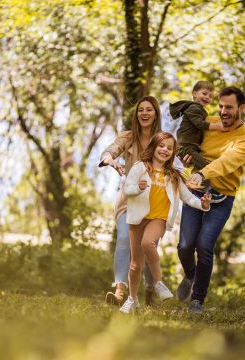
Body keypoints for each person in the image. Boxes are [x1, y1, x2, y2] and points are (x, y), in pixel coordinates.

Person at [176, 86, 245, 313]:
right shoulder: (208, 122)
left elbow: (226, 162)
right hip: (196, 190)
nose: (223, 111)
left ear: (241, 108)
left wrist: (202, 173)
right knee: (184, 246)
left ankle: (197, 300)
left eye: (228, 107)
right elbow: (188, 143)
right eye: (220, 106)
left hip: (222, 197)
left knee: (204, 246)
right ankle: (190, 276)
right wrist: (187, 157)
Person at [119, 132, 212, 314]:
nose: (165, 150)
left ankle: (159, 283)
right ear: (154, 146)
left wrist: (202, 204)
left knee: (148, 243)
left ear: (173, 152)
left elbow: (188, 197)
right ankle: (132, 299)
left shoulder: (174, 175)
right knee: (135, 265)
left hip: (159, 219)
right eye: (162, 146)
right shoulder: (140, 167)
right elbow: (127, 188)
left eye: (170, 148)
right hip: (138, 218)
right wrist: (138, 188)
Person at [99, 96, 162, 306]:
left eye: (149, 110)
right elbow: (110, 150)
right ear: (137, 115)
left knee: (148, 245)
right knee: (125, 239)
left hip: (154, 200)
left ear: (155, 115)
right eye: (140, 110)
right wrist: (109, 159)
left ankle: (151, 288)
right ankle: (119, 291)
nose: (144, 113)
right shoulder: (127, 137)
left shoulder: (162, 140)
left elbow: (176, 164)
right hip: (130, 197)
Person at [169, 80, 225, 189]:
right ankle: (203, 190)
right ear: (194, 94)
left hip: (189, 147)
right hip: (185, 148)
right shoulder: (194, 108)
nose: (207, 97)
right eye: (204, 94)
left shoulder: (199, 110)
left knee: (201, 167)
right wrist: (218, 126)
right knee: (206, 168)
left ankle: (195, 187)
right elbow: (199, 124)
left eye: (210, 96)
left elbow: (197, 131)